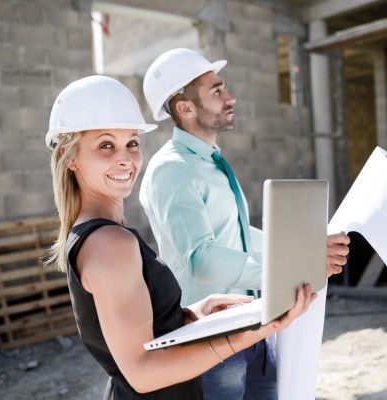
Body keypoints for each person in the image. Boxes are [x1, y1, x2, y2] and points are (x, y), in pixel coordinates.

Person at [45, 75, 316, 400]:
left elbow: (142, 332)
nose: (125, 157)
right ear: (70, 156)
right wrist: (255, 331)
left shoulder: (100, 236)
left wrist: (193, 313)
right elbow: (143, 371)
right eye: (106, 145)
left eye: (131, 142)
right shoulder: (110, 244)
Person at [140, 48, 351, 400]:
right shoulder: (172, 170)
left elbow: (237, 234)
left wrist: (305, 248)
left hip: (253, 325)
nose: (230, 97)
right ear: (185, 108)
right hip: (211, 340)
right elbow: (201, 258)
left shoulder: (211, 163)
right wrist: (291, 265)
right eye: (217, 90)